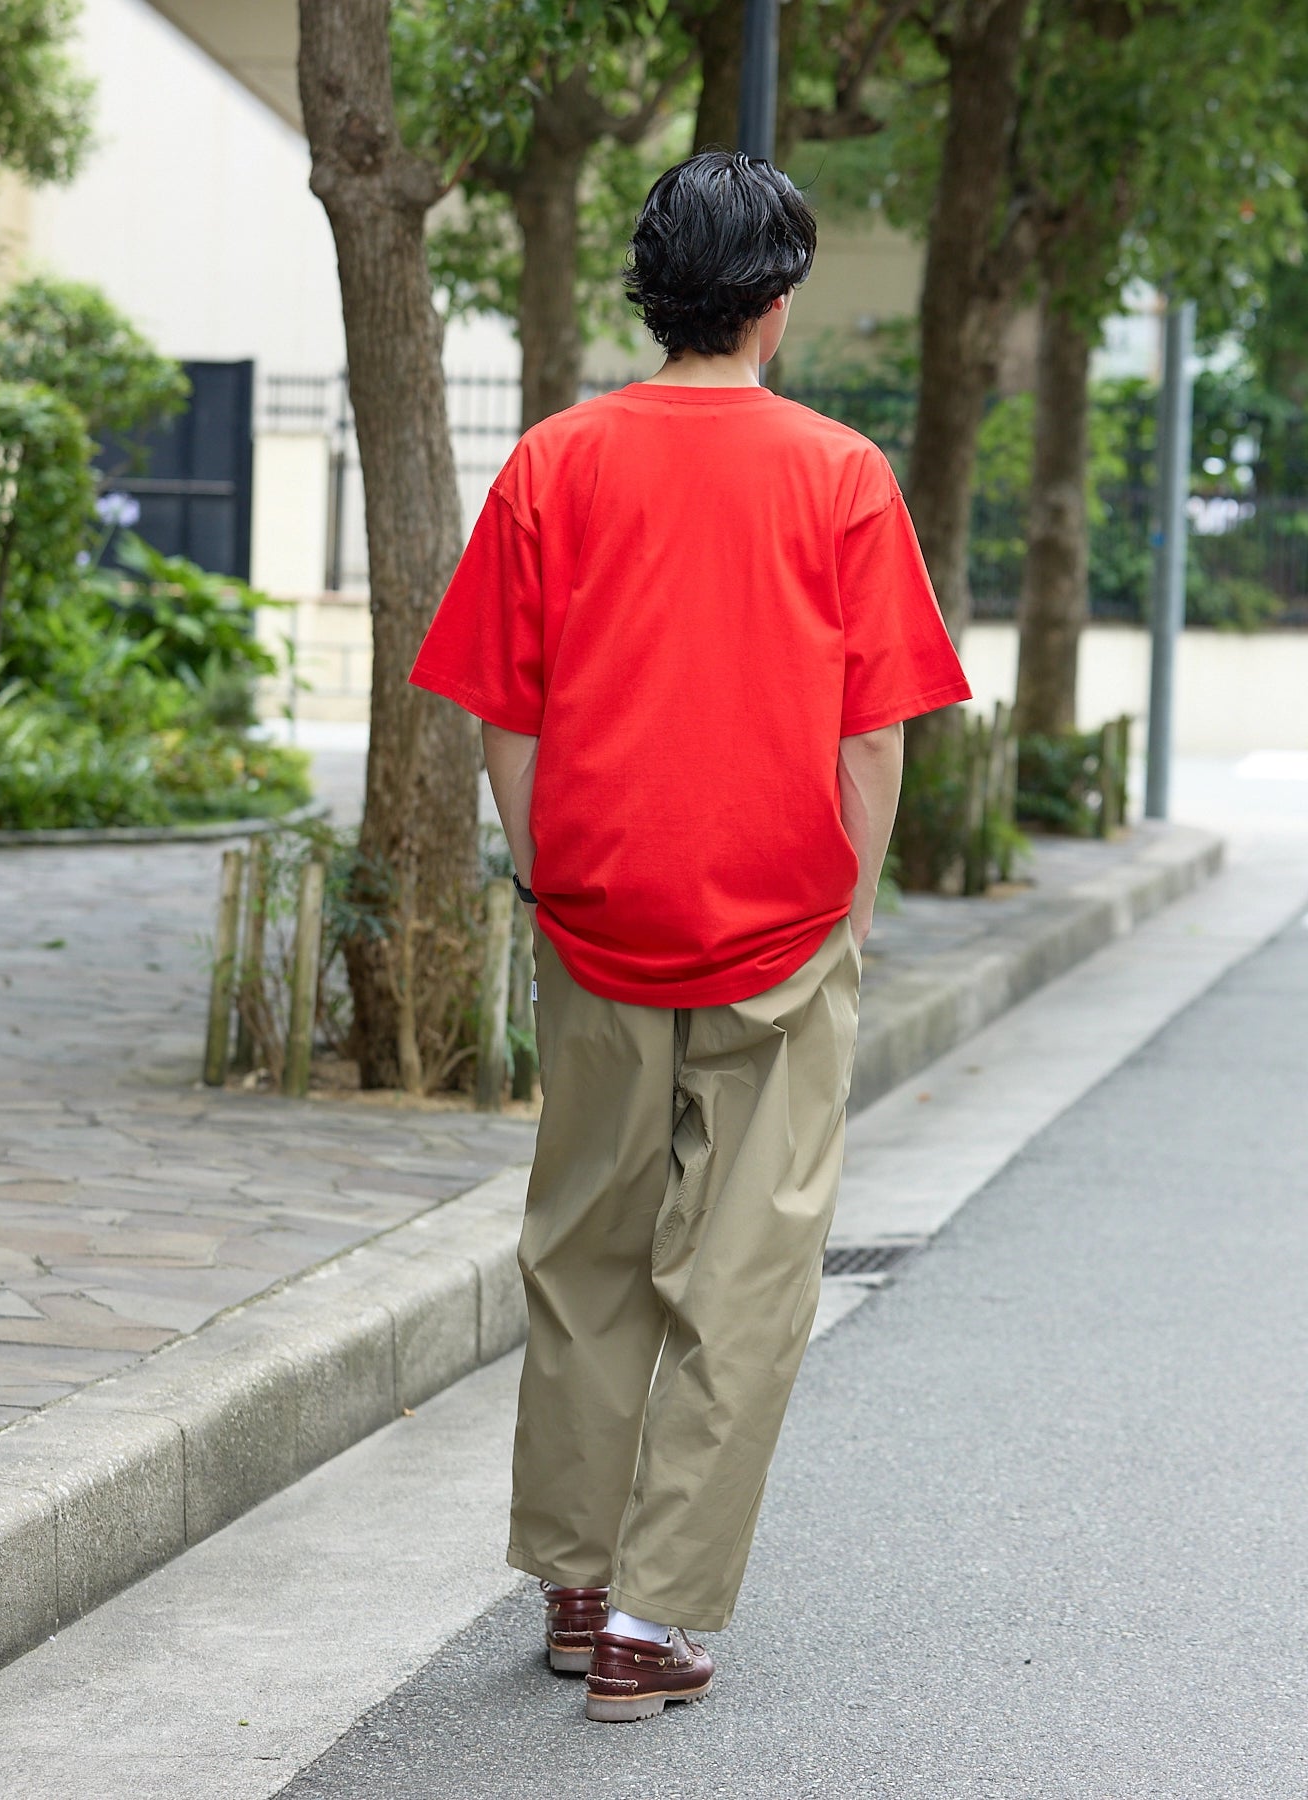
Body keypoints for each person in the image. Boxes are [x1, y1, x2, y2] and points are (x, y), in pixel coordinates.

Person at [409, 149, 971, 1723]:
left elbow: (500, 719)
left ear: (650, 291)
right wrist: (844, 917)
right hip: (782, 929)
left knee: (583, 1249)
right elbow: (876, 739)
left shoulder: (551, 465)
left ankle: (577, 1586)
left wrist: (554, 874)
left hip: (597, 923)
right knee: (747, 1276)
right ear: (776, 304)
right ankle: (659, 1616)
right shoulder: (842, 475)